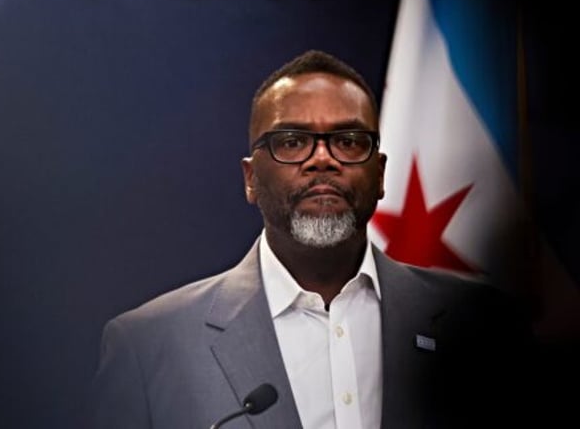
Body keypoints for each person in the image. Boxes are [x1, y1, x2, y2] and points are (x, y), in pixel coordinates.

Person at [91, 49, 535, 429]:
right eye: (291, 141)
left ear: (379, 175)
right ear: (250, 178)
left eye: (347, 140)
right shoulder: (149, 346)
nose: (322, 159)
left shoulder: (483, 325)